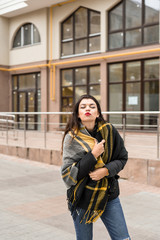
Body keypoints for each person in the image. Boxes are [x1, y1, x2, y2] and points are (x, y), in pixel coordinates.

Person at [61, 94, 131, 240]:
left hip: (109, 194)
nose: (88, 109)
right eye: (83, 107)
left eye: (92, 106)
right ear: (78, 114)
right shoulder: (71, 138)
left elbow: (122, 158)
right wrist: (93, 155)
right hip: (82, 198)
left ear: (98, 113)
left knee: (123, 238)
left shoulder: (109, 131)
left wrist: (105, 171)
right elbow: (68, 176)